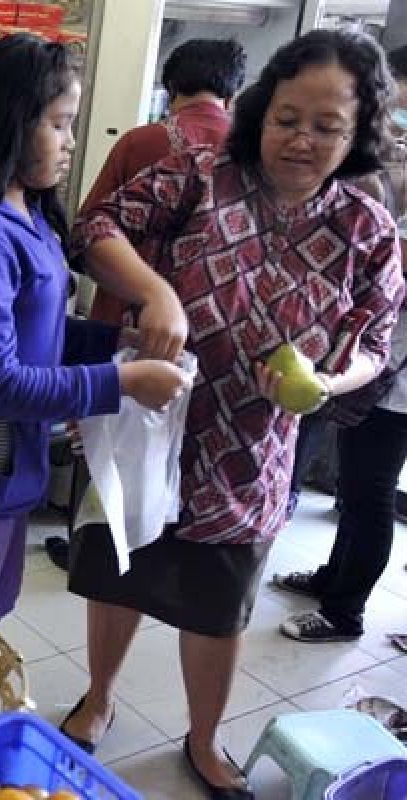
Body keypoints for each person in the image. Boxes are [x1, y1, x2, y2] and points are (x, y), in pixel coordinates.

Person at [60, 30, 403, 799]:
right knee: (120, 568)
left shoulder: (365, 228)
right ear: (260, 110)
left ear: (357, 135)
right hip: (153, 416)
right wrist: (157, 291)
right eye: (287, 117)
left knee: (218, 602)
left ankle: (206, 739)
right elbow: (98, 228)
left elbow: (375, 344)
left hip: (252, 446)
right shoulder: (200, 171)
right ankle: (100, 697)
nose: (302, 139)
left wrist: (326, 378)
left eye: (327, 125)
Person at [0, 33, 191, 679]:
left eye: (71, 124)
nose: (68, 141)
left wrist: (117, 343)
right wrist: (124, 383)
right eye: (58, 124)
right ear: (10, 122)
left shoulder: (29, 219)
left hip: (7, 464)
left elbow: (42, 332)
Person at [46, 37, 248, 570]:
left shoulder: (142, 141)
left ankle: (100, 546)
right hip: (216, 344)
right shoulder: (250, 151)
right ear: (236, 90)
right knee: (184, 454)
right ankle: (168, 543)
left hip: (128, 330)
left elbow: (86, 233)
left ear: (169, 86)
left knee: (112, 447)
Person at [273, 44, 407, 643]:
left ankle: (345, 612)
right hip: (370, 363)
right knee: (355, 484)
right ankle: (333, 576)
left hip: (395, 368)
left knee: (372, 488)